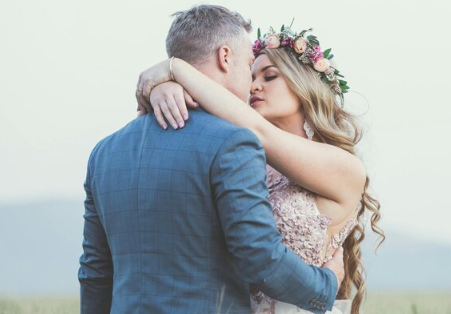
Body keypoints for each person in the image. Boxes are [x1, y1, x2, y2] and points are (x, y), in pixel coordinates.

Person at [79, 5, 344, 314]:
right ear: (225, 57)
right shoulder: (233, 142)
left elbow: (95, 272)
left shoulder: (104, 153)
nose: (251, 84)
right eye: (248, 65)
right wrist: (324, 285)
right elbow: (259, 257)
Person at [134, 22, 384, 314]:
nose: (253, 86)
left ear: (303, 84)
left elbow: (259, 131)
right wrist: (162, 90)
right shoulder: (245, 159)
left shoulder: (345, 167)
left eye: (269, 76)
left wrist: (175, 68)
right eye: (252, 75)